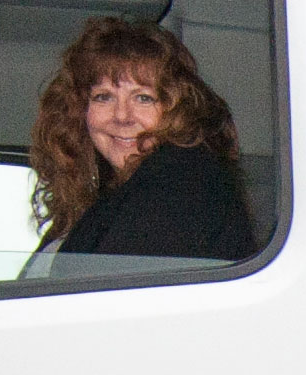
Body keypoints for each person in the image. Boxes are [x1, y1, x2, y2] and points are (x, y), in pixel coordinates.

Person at [27, 15, 260, 266]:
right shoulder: (117, 192)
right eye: (103, 97)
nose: (122, 116)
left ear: (178, 108)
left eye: (144, 98)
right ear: (78, 111)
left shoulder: (181, 184)